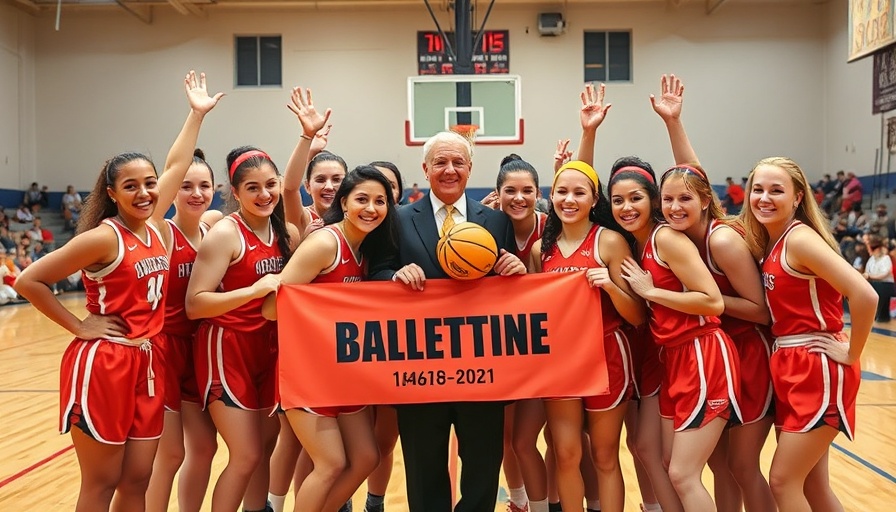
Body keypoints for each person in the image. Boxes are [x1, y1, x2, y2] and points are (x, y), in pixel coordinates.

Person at [10, 70, 213, 511]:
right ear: (112, 193)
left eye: (149, 183)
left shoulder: (157, 227)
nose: (144, 192)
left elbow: (177, 166)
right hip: (106, 363)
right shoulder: (104, 237)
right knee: (102, 483)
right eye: (131, 186)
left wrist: (195, 115)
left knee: (137, 481)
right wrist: (79, 325)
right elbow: (29, 280)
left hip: (150, 358)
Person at [369, 130, 527, 512]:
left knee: (483, 467)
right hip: (419, 366)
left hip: (482, 367)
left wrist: (516, 270)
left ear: (471, 169)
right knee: (424, 469)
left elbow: (508, 289)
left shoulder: (496, 221)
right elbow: (376, 272)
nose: (450, 169)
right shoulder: (398, 219)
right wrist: (394, 277)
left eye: (458, 162)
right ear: (425, 169)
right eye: (440, 162)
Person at [651, 74, 775, 512]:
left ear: (704, 201)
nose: (674, 207)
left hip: (750, 351)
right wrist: (673, 124)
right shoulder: (683, 234)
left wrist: (707, 301)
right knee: (720, 467)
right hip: (719, 348)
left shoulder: (721, 240)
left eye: (684, 200)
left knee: (742, 467)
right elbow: (689, 178)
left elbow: (761, 311)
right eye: (667, 201)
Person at [740, 156, 877, 511]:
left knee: (783, 482)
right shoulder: (772, 241)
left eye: (776, 190)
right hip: (789, 364)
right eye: (758, 189)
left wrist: (852, 353)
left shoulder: (799, 239)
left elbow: (864, 294)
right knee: (814, 487)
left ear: (798, 197)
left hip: (816, 367)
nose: (764, 198)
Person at [608, 149, 741, 510]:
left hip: (702, 354)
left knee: (684, 473)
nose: (627, 208)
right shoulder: (637, 244)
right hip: (674, 359)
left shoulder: (666, 238)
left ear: (651, 202)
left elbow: (712, 302)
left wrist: (653, 292)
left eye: (636, 199)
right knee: (667, 464)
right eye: (617, 201)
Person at [263, 165, 399, 512]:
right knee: (330, 464)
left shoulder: (365, 250)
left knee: (367, 456)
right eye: (362, 199)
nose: (371, 208)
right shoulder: (325, 243)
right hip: (306, 369)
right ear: (344, 202)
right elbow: (270, 308)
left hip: (342, 369)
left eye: (380, 201)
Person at [186, 143, 298, 512]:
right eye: (252, 187)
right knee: (246, 454)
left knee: (266, 445)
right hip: (226, 346)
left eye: (270, 185)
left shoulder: (288, 234)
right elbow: (195, 304)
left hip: (269, 349)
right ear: (235, 193)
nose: (264, 194)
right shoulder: (225, 234)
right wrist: (252, 290)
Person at [529, 160, 646, 512]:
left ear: (594, 199)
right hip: (560, 361)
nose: (569, 199)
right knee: (565, 454)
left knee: (605, 455)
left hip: (607, 354)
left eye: (579, 192)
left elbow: (637, 315)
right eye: (561, 191)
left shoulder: (609, 242)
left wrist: (610, 286)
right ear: (551, 196)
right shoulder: (540, 250)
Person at [145, 71, 224, 512]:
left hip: (201, 351)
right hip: (162, 351)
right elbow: (174, 168)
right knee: (170, 453)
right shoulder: (161, 231)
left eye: (204, 185)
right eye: (187, 186)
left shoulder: (213, 230)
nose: (195, 193)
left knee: (206, 450)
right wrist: (195, 116)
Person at [862, 235, 893, 323]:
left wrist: (870, 276)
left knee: (878, 287)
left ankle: (876, 314)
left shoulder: (885, 258)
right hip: (875, 283)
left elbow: (884, 274)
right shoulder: (871, 259)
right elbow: (867, 271)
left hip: (887, 285)